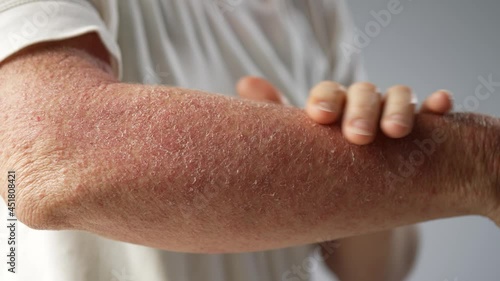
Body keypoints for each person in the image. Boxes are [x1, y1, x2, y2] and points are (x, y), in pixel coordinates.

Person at [0, 1, 498, 281]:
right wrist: (469, 164)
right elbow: (45, 159)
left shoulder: (311, 12)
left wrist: (341, 159)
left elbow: (374, 271)